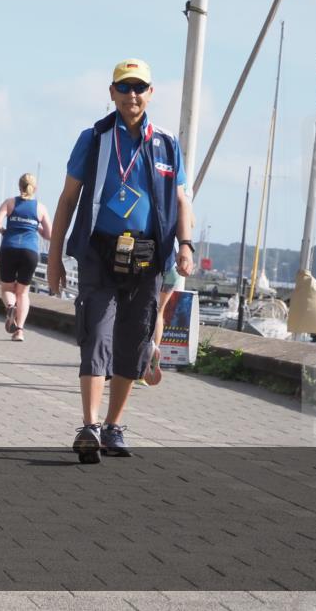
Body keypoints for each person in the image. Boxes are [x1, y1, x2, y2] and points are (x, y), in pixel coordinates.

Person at [46, 58, 195, 464]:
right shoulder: (94, 138)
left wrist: (186, 245)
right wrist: (54, 257)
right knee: (96, 333)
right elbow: (66, 200)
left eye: (139, 87)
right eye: (124, 87)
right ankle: (89, 426)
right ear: (111, 92)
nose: (132, 95)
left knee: (134, 343)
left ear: (151, 92)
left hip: (148, 257)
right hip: (99, 253)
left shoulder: (166, 144)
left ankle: (113, 426)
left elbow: (182, 199)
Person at [0, 173, 52, 342]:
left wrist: (5, 232)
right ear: (35, 188)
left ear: (19, 186)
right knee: (23, 293)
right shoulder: (40, 208)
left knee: (7, 289)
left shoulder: (10, 202)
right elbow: (49, 234)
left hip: (9, 247)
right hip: (30, 251)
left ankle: (11, 307)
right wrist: (36, 228)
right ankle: (19, 331)